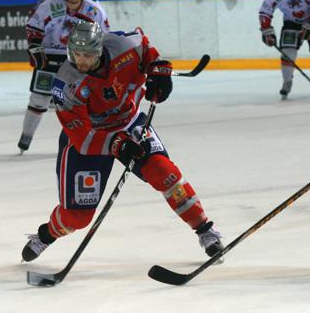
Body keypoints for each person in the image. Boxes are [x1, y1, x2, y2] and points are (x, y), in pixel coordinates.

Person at [21, 22, 224, 262]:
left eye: (87, 55)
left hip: (129, 123)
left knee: (164, 172)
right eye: (76, 55)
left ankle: (205, 230)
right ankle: (46, 234)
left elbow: (147, 50)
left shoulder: (124, 45)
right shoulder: (65, 83)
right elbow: (81, 138)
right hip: (91, 139)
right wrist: (117, 144)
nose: (81, 61)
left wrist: (159, 69)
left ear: (99, 50)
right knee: (78, 217)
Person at [17, 0, 109, 153]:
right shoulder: (49, 5)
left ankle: (85, 138)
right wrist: (35, 48)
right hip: (49, 57)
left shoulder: (94, 10)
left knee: (82, 100)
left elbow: (104, 36)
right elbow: (33, 28)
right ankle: (25, 138)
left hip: (79, 59)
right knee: (39, 99)